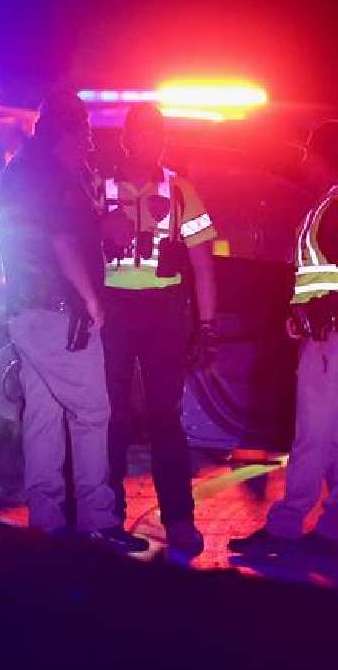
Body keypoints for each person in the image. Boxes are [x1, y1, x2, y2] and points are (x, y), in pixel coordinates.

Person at [0, 89, 148, 553]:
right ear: (71, 130)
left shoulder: (20, 168)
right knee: (93, 414)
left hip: (26, 311)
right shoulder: (55, 173)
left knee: (43, 415)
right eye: (85, 133)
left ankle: (46, 519)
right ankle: (98, 520)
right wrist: (90, 299)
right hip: (62, 313)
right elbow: (62, 240)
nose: (89, 142)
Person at [228, 120, 338, 557]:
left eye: (309, 151)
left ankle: (286, 527)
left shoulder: (333, 210)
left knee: (312, 435)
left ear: (322, 157)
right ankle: (335, 530)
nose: (303, 158)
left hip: (331, 341)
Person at [97, 103, 219, 557]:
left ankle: (180, 519)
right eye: (143, 133)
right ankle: (107, 513)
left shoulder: (182, 190)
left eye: (158, 134)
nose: (151, 142)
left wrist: (207, 326)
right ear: (127, 139)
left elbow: (203, 264)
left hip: (164, 312)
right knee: (110, 416)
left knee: (167, 417)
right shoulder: (101, 188)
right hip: (112, 310)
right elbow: (75, 245)